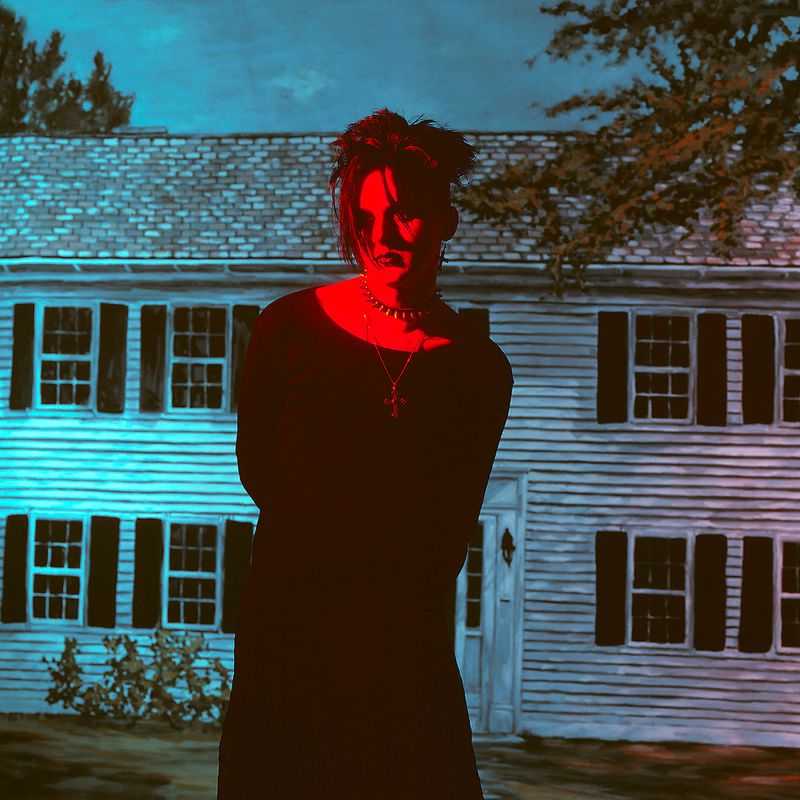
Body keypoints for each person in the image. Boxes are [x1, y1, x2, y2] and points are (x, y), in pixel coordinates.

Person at [217, 108, 513, 799]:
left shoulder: (479, 370)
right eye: (366, 217)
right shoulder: (286, 329)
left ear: (446, 221)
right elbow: (260, 474)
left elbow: (447, 530)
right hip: (289, 639)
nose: (382, 236)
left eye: (404, 213)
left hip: (402, 654)